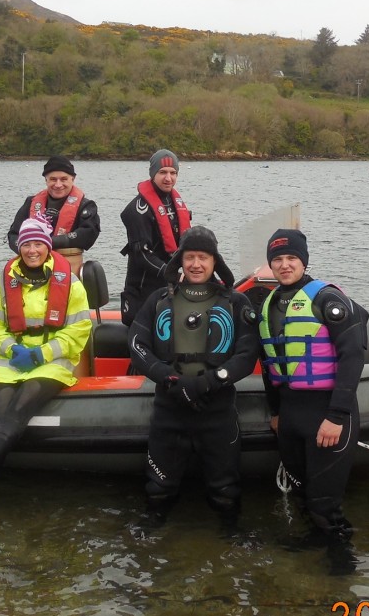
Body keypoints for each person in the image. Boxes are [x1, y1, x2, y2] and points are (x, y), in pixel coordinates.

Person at [128, 226, 260, 530]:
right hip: (169, 405)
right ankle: (154, 522)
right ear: (180, 261)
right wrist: (167, 377)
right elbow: (137, 344)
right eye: (190, 257)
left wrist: (210, 381)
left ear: (215, 262)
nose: (196, 264)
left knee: (225, 489)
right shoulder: (160, 299)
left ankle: (229, 529)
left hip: (216, 406)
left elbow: (246, 353)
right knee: (159, 486)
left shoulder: (235, 302)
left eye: (203, 257)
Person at [0, 216, 92, 508]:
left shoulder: (70, 281)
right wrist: (11, 348)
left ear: (47, 246)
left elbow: (79, 328)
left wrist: (40, 354)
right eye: (26, 244)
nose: (32, 250)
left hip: (52, 357)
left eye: (37, 244)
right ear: (19, 247)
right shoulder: (3, 280)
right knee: (1, 408)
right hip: (12, 354)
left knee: (22, 404)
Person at [258, 228, 368, 552]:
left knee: (325, 500)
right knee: (303, 490)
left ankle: (341, 568)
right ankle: (315, 545)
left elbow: (353, 356)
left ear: (303, 261)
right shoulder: (269, 305)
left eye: (292, 258)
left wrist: (336, 415)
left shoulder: (326, 298)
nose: (285, 265)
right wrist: (276, 412)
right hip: (292, 413)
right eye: (277, 259)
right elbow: (269, 364)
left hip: (326, 411)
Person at [119, 149, 192, 326]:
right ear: (153, 174)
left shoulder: (176, 204)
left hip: (170, 287)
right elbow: (141, 255)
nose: (168, 178)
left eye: (173, 173)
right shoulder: (137, 209)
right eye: (163, 172)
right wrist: (172, 274)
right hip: (143, 290)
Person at [7, 155, 100, 273]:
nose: (58, 184)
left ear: (73, 179)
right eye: (53, 179)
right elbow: (13, 235)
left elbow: (88, 235)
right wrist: (30, 249)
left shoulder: (85, 206)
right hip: (32, 266)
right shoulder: (30, 203)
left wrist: (48, 242)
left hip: (68, 269)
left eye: (64, 179)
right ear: (46, 180)